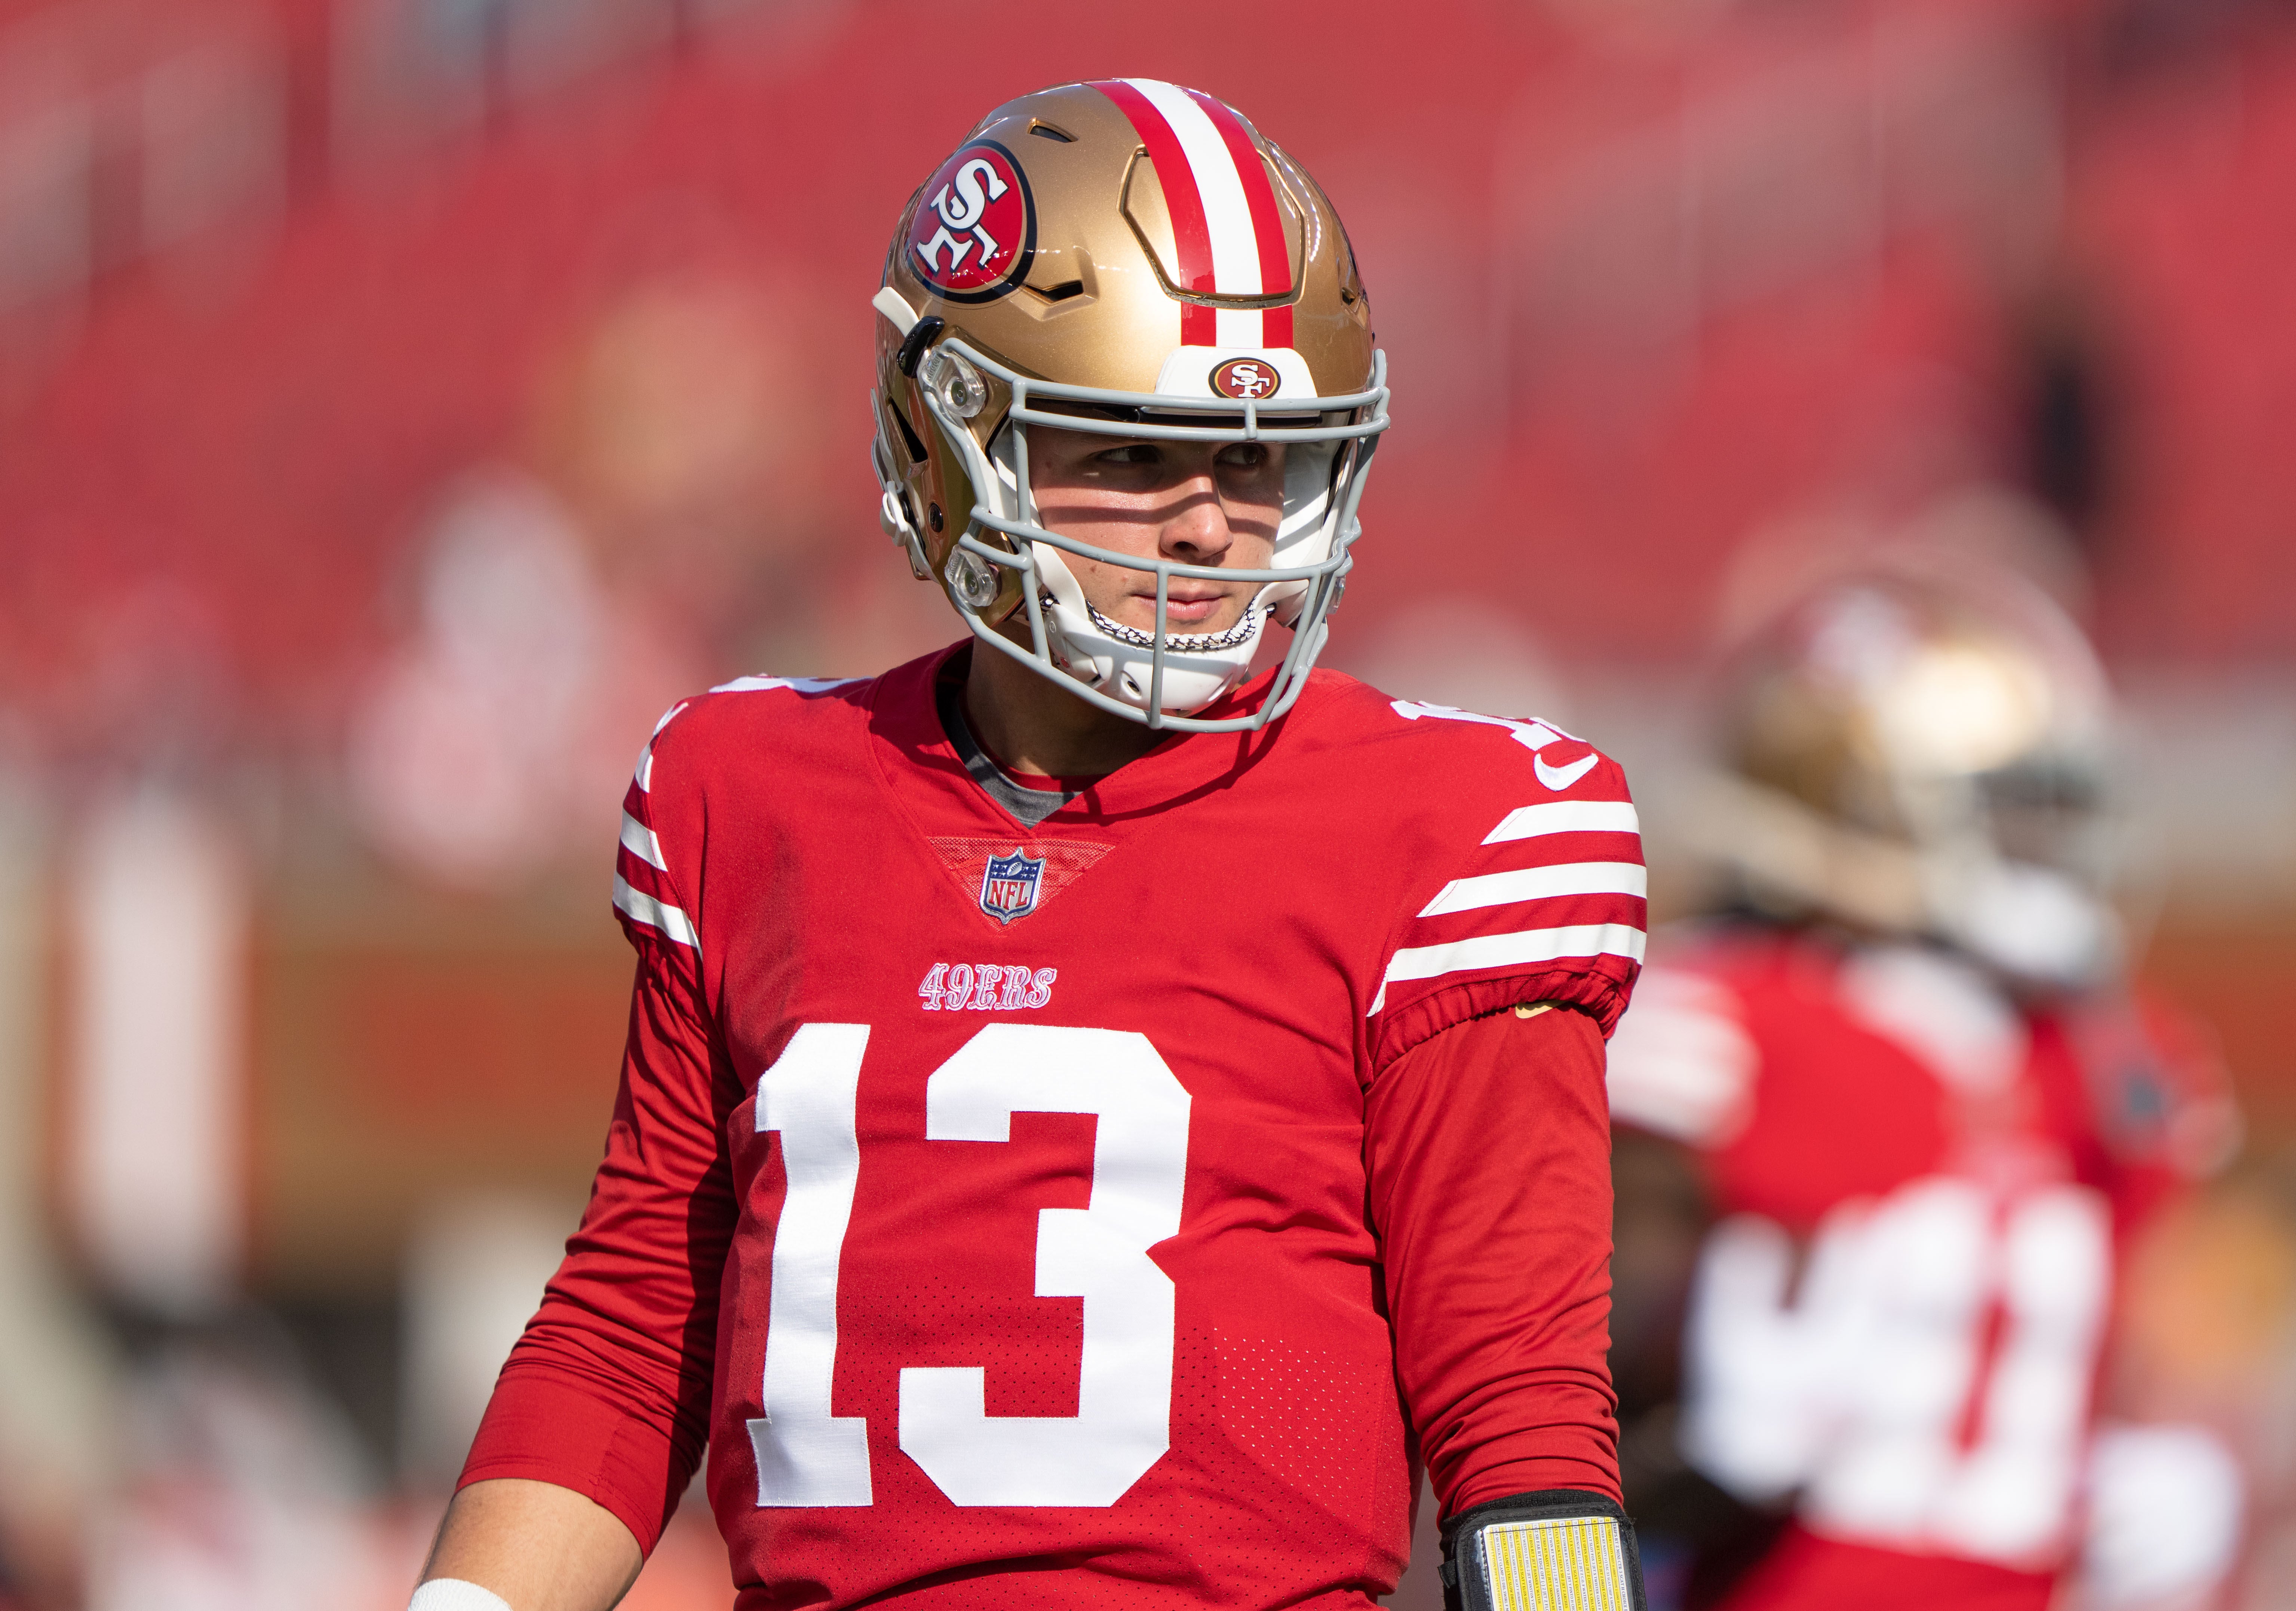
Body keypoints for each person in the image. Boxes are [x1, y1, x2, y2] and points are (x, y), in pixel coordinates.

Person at [407, 80, 1649, 1611]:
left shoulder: (1448, 829)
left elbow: (1519, 1419)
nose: (1210, 524)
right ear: (949, 440)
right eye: (1133, 454)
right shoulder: (748, 788)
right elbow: (631, 1322)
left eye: (1257, 459)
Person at [1600, 548, 2243, 1611]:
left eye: (2054, 813)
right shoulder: (1729, 1020)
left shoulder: (2112, 1059)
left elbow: (2150, 1339)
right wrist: (1681, 1435)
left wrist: (2167, 1453)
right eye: (2007, 813)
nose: (2046, 855)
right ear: (1861, 803)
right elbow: (1550, 1349)